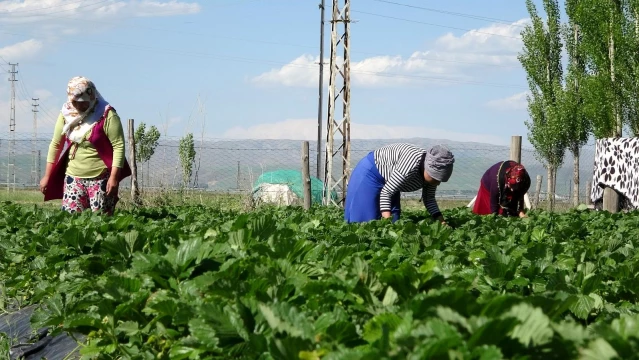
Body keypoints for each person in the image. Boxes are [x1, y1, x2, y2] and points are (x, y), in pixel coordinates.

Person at [40, 76, 131, 215]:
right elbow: (56, 145)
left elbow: (118, 146)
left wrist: (114, 177)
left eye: (83, 102)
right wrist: (47, 175)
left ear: (92, 96)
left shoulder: (106, 115)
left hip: (101, 178)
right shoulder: (66, 114)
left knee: (100, 224)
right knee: (72, 223)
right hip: (73, 177)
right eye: (75, 102)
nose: (79, 106)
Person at [344, 143, 455, 224]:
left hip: (391, 181)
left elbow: (429, 199)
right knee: (365, 220)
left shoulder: (430, 178)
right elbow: (386, 193)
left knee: (395, 220)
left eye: (440, 180)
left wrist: (442, 222)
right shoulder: (410, 164)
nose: (437, 183)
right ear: (428, 169)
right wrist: (388, 225)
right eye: (435, 179)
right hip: (371, 173)